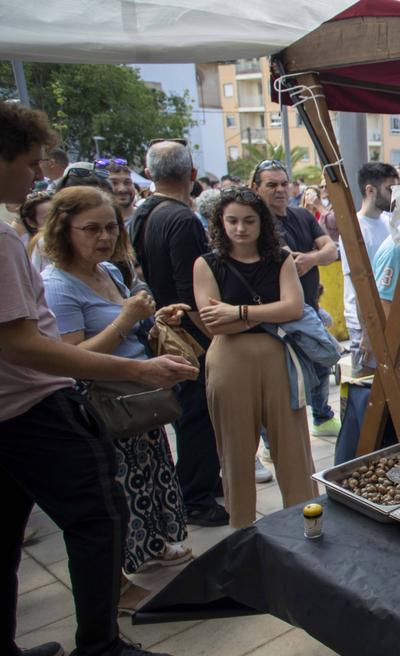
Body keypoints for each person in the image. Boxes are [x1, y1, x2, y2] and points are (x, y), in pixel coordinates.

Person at [1, 100, 191, 656]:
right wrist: (139, 368)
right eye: (33, 162)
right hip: (32, 406)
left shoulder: (101, 271)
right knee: (100, 519)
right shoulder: (9, 245)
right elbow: (24, 344)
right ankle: (100, 651)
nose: (39, 173)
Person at [39, 186, 193, 588]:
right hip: (105, 405)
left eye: (111, 227)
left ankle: (153, 546)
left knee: (150, 475)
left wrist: (158, 317)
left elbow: (131, 324)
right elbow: (73, 359)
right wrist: (126, 319)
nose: (104, 237)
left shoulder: (107, 271)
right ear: (64, 230)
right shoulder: (57, 286)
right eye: (91, 229)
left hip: (140, 397)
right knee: (120, 491)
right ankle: (118, 582)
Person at [192, 187, 316, 528]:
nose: (240, 228)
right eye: (231, 220)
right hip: (229, 360)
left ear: (262, 222)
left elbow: (293, 306)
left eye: (248, 220)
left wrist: (240, 311)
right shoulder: (207, 263)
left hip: (277, 357)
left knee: (293, 447)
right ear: (220, 222)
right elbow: (212, 318)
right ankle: (241, 529)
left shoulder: (281, 258)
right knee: (234, 449)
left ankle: (306, 520)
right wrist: (267, 312)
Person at [132, 140, 230, 525]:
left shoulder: (144, 212)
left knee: (189, 418)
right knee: (198, 419)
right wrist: (215, 340)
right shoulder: (183, 219)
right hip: (189, 336)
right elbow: (193, 292)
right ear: (191, 175)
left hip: (165, 330)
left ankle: (199, 482)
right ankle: (196, 498)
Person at [252, 160, 340, 437]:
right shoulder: (256, 224)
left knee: (321, 364)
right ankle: (270, 441)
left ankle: (322, 417)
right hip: (276, 317)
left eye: (283, 183)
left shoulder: (301, 216)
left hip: (310, 309)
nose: (280, 190)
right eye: (271, 185)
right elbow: (284, 258)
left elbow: (331, 249)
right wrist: (307, 259)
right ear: (256, 188)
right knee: (282, 381)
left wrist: (310, 259)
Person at [342, 162, 400, 376]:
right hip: (363, 322)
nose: (394, 196)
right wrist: (368, 332)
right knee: (366, 388)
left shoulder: (388, 221)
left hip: (385, 316)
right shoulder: (355, 229)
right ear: (370, 190)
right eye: (390, 190)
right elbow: (360, 285)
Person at [99, 158, 137, 222]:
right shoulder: (94, 223)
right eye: (114, 183)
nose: (122, 189)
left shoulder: (145, 219)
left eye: (127, 182)